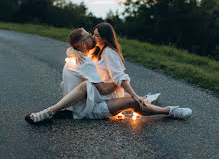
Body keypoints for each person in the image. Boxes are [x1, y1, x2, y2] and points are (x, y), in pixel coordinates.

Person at [25, 24, 192, 124]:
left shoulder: (83, 56)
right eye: (91, 36)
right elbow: (104, 89)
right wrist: (118, 82)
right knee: (130, 101)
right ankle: (169, 110)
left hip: (87, 102)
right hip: (89, 108)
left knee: (131, 99)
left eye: (95, 35)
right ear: (84, 43)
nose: (93, 37)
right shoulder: (85, 60)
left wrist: (71, 51)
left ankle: (163, 108)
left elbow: (75, 50)